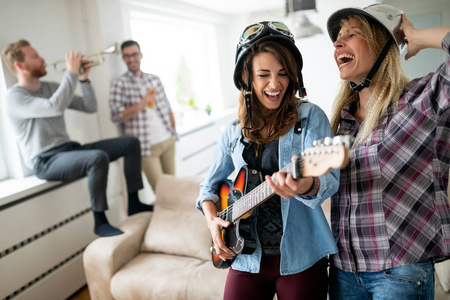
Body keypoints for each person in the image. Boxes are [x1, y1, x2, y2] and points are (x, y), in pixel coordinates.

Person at [196, 21, 340, 300]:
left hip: (301, 258)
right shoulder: (232, 131)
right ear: (246, 78)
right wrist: (212, 221)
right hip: (246, 257)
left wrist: (305, 185)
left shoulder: (311, 119)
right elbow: (208, 188)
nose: (275, 84)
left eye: (283, 74)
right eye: (263, 75)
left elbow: (329, 182)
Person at [326, 4, 450, 299]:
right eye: (337, 37)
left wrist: (416, 36)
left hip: (400, 272)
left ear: (382, 45)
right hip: (343, 272)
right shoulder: (338, 122)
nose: (337, 43)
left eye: (352, 34)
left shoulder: (420, 102)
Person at [2, 40, 153, 237]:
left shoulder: (50, 87)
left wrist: (83, 80)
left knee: (131, 143)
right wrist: (71, 72)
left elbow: (89, 106)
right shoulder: (14, 97)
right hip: (45, 161)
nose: (42, 59)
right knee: (97, 158)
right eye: (35, 57)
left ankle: (134, 203)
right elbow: (53, 107)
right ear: (19, 66)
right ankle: (100, 222)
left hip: (68, 149)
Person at [109, 40, 178, 193]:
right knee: (161, 192)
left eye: (134, 54)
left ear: (141, 55)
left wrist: (173, 131)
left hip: (167, 140)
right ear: (123, 59)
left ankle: (173, 217)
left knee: (173, 189)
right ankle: (163, 216)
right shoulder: (120, 84)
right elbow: (115, 116)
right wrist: (141, 104)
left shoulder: (154, 79)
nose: (131, 59)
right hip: (146, 148)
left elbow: (167, 107)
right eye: (127, 56)